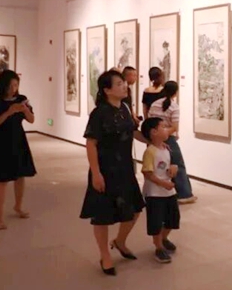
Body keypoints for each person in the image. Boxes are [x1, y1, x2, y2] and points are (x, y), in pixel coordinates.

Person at [80, 70, 147, 276]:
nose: (125, 85)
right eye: (119, 83)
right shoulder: (99, 113)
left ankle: (120, 241)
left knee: (135, 209)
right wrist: (96, 173)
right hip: (105, 169)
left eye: (124, 82)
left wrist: (154, 141)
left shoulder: (125, 108)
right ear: (107, 90)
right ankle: (105, 255)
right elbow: (91, 143)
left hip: (125, 168)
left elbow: (132, 132)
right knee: (103, 215)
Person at [0, 70, 37, 230]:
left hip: (18, 140)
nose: (14, 88)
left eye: (16, 85)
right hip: (0, 142)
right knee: (1, 180)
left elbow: (32, 120)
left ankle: (18, 206)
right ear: (3, 85)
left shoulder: (21, 99)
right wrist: (9, 112)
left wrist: (25, 110)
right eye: (11, 85)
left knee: (20, 176)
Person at [147, 80, 197, 204]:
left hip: (152, 139)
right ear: (175, 92)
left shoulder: (154, 104)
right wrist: (164, 135)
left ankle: (161, 191)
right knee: (177, 163)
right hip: (168, 138)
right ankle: (184, 194)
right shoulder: (174, 106)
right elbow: (174, 127)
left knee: (157, 166)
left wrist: (156, 136)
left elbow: (149, 123)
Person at [140, 117, 180, 264]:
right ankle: (158, 246)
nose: (167, 129)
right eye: (163, 127)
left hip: (168, 192)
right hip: (154, 193)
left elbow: (169, 166)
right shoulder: (150, 152)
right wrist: (163, 183)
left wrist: (173, 170)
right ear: (154, 132)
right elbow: (147, 173)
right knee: (156, 221)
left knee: (172, 218)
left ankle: (164, 238)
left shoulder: (166, 148)